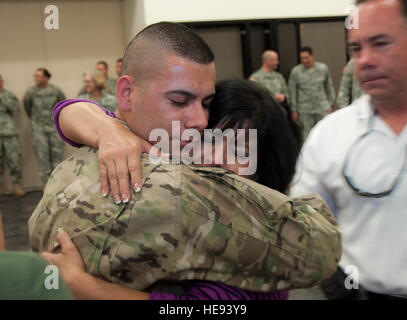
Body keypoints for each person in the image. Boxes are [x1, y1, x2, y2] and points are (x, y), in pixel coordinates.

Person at [29, 22, 341, 300]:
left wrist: (87, 287)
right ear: (125, 93)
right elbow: (67, 110)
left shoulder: (224, 212)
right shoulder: (173, 175)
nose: (199, 122)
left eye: (206, 103)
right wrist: (107, 129)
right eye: (180, 101)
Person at [290, 0, 407, 299]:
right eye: (356, 49)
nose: (364, 60)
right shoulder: (330, 135)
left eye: (380, 44)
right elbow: (303, 225)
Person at [23, 68, 66, 184]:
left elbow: (63, 106)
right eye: (35, 76)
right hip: (39, 129)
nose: (35, 78)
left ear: (46, 77)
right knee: (43, 158)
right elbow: (27, 107)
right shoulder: (30, 92)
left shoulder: (56, 91)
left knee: (57, 157)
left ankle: (59, 184)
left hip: (54, 128)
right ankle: (46, 187)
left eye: (38, 76)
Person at [288, 46, 336, 141]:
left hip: (322, 108)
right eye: (302, 58)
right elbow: (292, 91)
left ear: (312, 56)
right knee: (306, 137)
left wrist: (330, 105)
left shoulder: (323, 68)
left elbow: (329, 87)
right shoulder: (296, 71)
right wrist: (294, 110)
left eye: (306, 58)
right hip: (305, 110)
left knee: (325, 134)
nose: (304, 60)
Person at [0, 75, 25, 196]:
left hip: (9, 132)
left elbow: (15, 107)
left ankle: (16, 185)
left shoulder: (8, 95)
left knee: (14, 159)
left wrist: (2, 97)